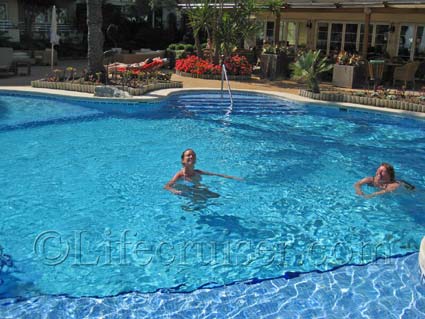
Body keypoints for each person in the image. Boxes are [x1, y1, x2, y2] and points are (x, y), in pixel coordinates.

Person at [164, 149, 242, 195]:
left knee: (216, 195)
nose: (191, 157)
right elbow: (167, 186)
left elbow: (216, 174)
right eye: (188, 155)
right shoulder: (180, 175)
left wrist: (233, 177)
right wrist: (175, 191)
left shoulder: (197, 172)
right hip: (187, 192)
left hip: (197, 189)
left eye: (193, 155)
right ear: (183, 160)